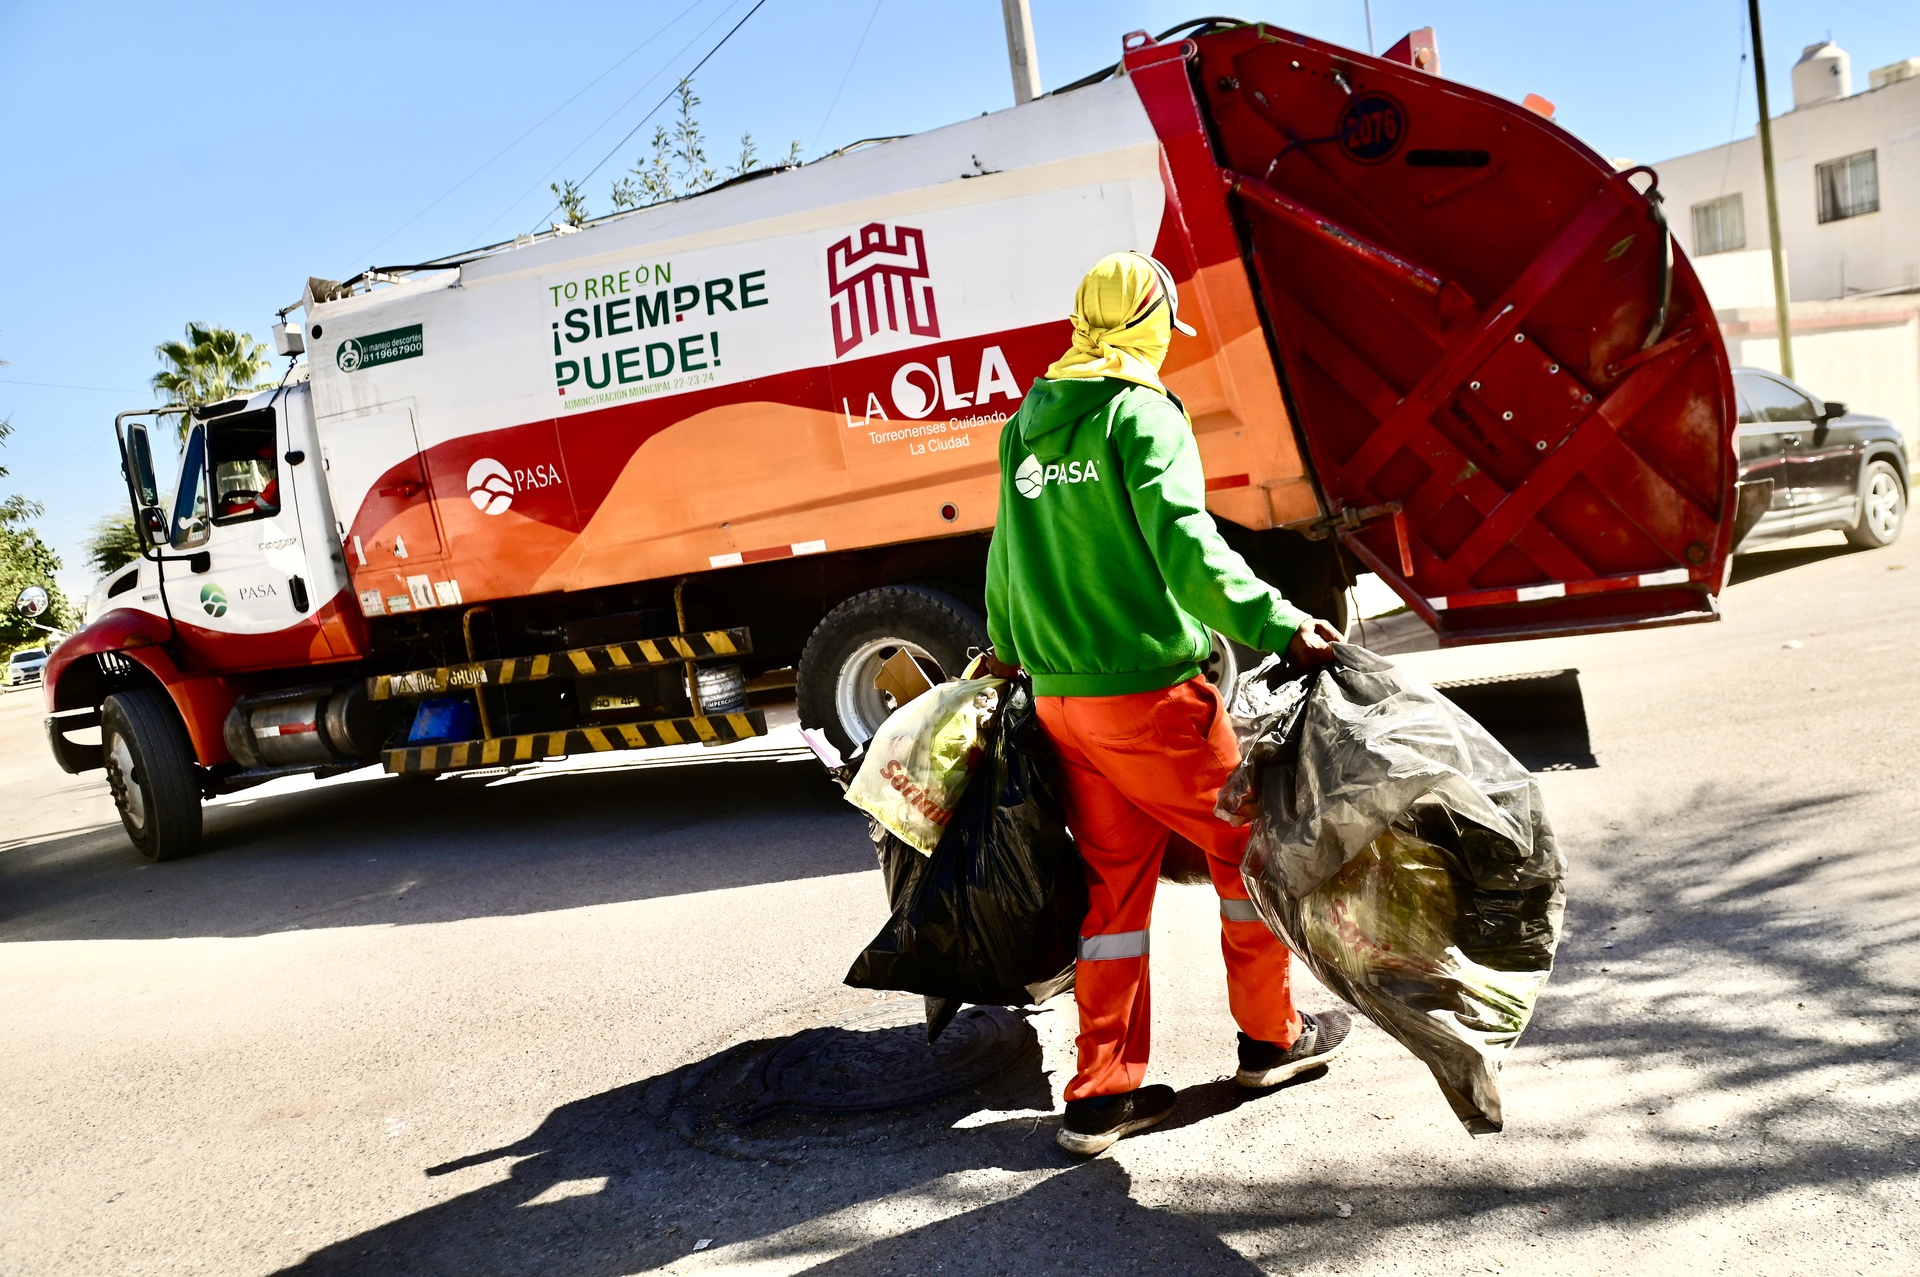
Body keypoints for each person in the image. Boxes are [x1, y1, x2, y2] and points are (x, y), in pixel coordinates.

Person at [984, 251, 1350, 1157]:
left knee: (1115, 889)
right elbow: (1188, 549)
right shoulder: (1142, 415)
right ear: (1149, 324)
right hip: (1149, 700)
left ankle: (1102, 1095)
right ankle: (1271, 1038)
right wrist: (1280, 621)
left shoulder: (1029, 420)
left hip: (1065, 701)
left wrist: (1005, 647)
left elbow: (1005, 555)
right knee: (1251, 852)